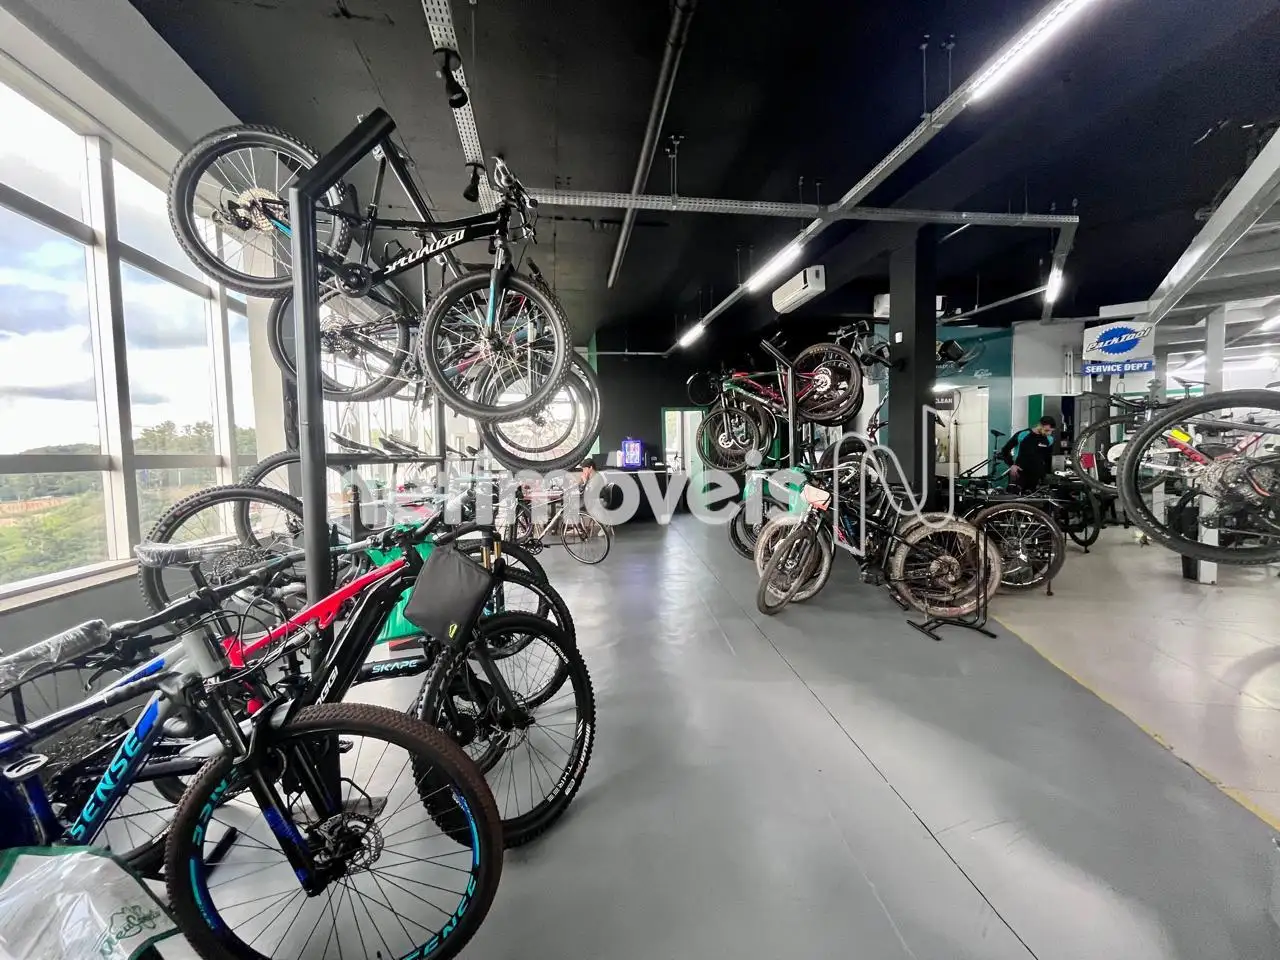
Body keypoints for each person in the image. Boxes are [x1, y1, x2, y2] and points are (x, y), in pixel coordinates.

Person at [999, 416, 1056, 492]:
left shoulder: (1049, 439)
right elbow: (1005, 450)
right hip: (1019, 474)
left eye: (1051, 431)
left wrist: (1046, 475)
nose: (1049, 433)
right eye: (1047, 430)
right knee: (1015, 498)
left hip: (1036, 476)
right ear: (1039, 425)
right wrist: (1012, 465)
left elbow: (1048, 458)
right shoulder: (1023, 434)